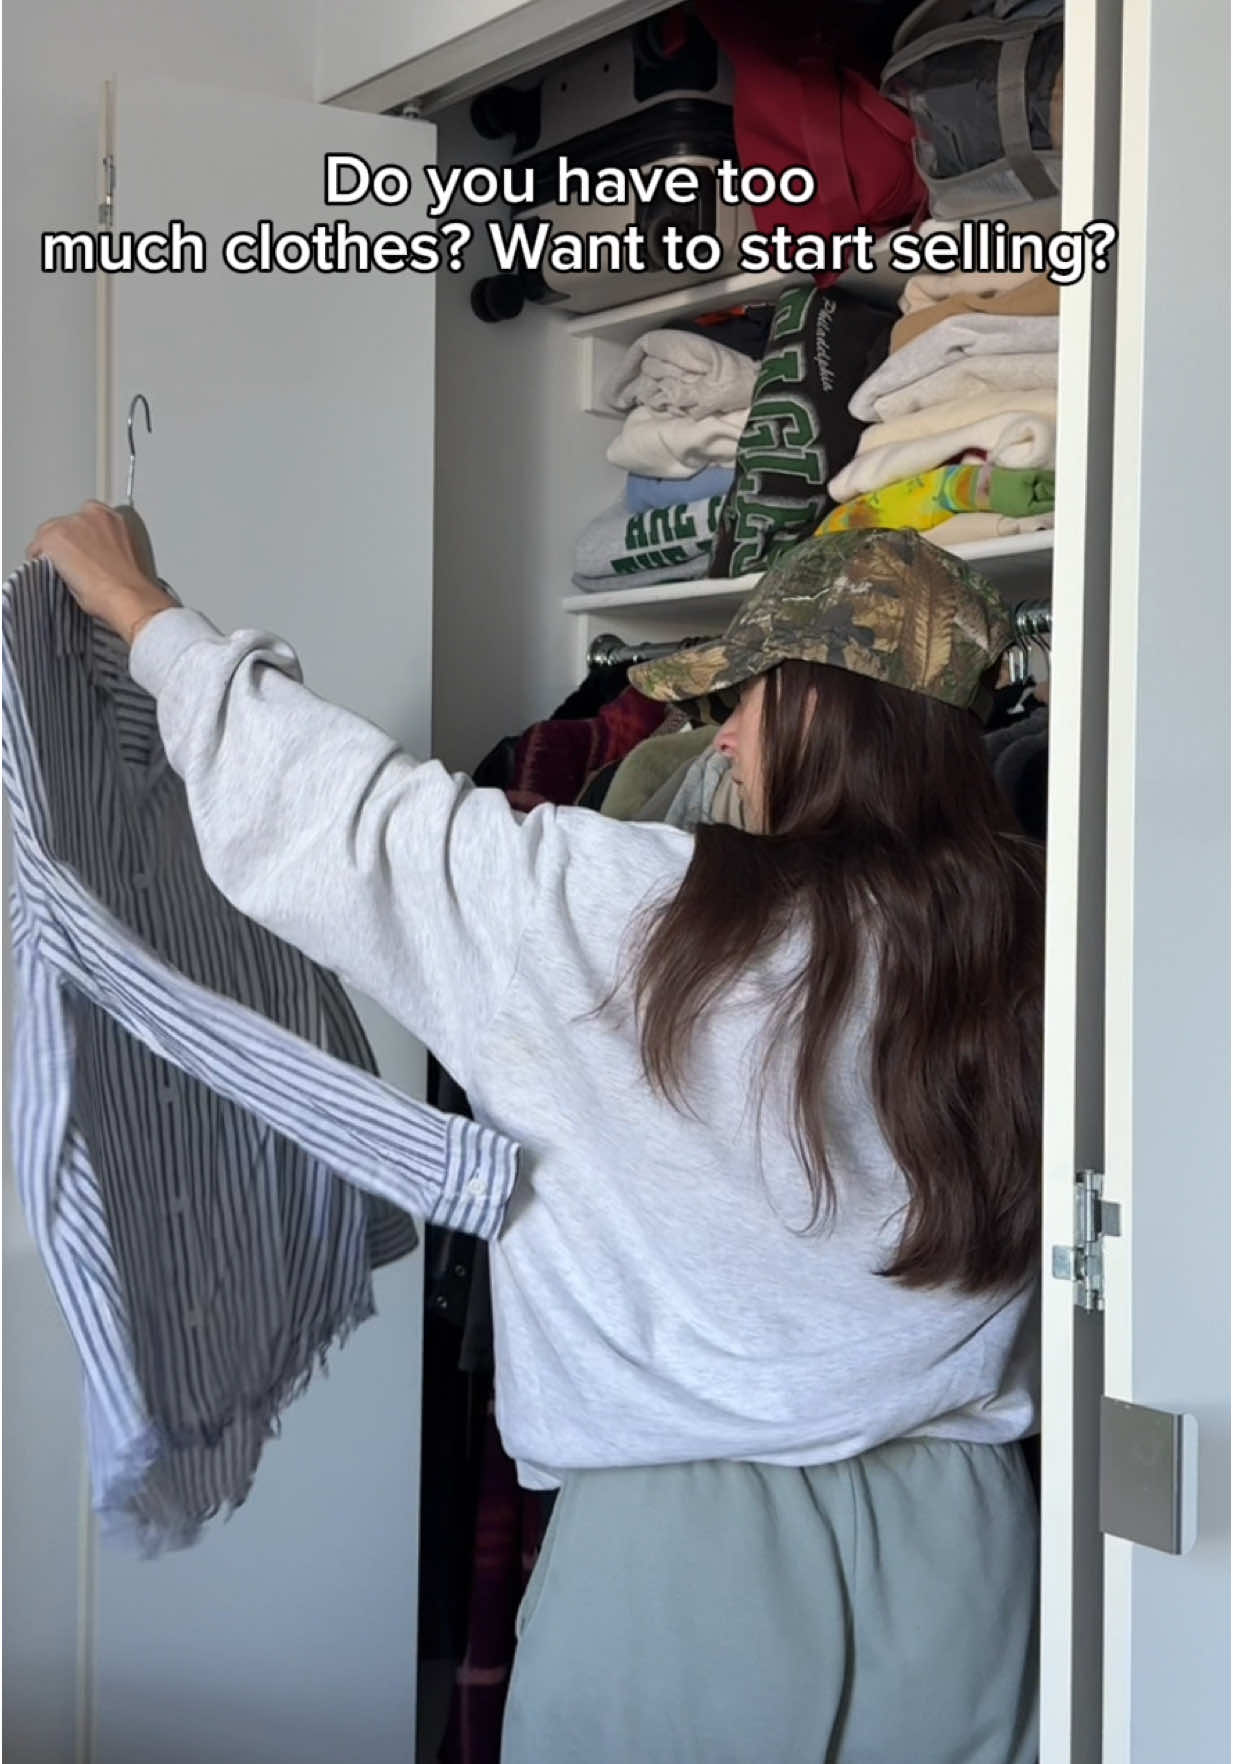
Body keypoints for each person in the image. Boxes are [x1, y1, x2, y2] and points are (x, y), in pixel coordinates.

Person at [26, 505, 1043, 1764]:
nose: (725, 734)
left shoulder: (624, 910)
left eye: (747, 697)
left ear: (821, 707)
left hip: (685, 1560)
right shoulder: (1044, 938)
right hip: (966, 1554)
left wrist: (142, 611)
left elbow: (342, 815)